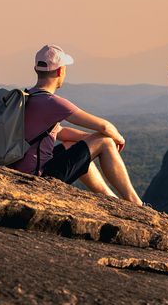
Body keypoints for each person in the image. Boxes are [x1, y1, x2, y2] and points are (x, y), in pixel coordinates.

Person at [9, 44, 143, 205]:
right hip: (38, 177)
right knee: (106, 141)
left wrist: (90, 141)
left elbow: (59, 132)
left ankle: (112, 200)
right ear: (60, 71)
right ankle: (135, 203)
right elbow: (104, 127)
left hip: (20, 171)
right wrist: (117, 139)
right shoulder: (52, 102)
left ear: (36, 69)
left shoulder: (27, 97)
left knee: (74, 145)